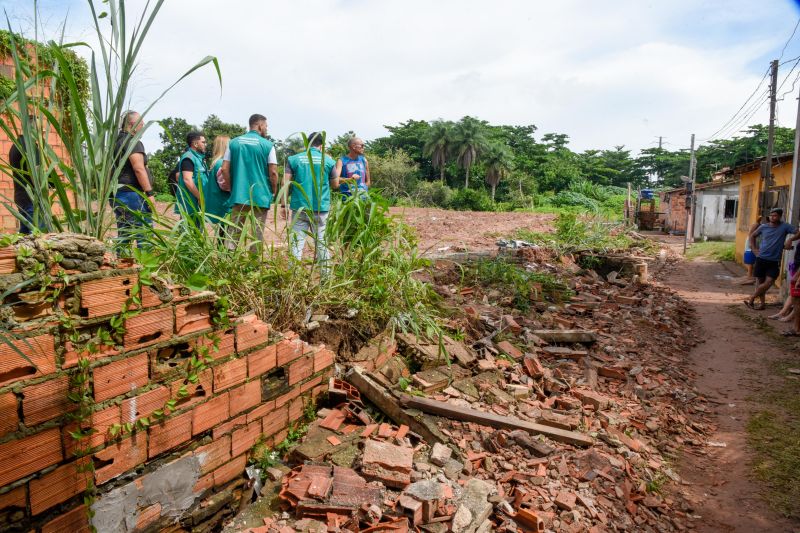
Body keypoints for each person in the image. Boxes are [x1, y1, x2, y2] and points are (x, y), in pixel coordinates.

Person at [220, 114, 278, 250]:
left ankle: (228, 259)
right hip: (261, 196)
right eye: (266, 126)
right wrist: (274, 191)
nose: (266, 129)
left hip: (239, 195)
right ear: (260, 125)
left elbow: (224, 169)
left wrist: (231, 188)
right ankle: (253, 261)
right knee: (257, 232)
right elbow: (273, 172)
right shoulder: (268, 145)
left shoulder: (233, 143)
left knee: (234, 231)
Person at [285, 132, 339, 271]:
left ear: (307, 143)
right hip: (321, 208)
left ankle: (293, 275)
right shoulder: (328, 161)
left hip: (300, 207)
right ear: (322, 145)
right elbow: (335, 185)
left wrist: (283, 204)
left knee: (296, 243)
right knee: (321, 242)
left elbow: (285, 183)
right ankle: (326, 276)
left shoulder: (294, 159)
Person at [111, 111, 155, 252]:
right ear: (133, 124)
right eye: (141, 124)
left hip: (118, 193)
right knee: (144, 232)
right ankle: (146, 264)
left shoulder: (117, 142)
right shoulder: (132, 142)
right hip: (132, 194)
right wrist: (149, 193)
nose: (143, 127)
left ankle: (122, 262)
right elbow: (139, 169)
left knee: (125, 233)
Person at [745, 208, 798, 310]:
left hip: (774, 260)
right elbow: (752, 236)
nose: (772, 217)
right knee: (760, 282)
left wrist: (790, 239)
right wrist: (754, 248)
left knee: (769, 282)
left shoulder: (785, 226)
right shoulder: (763, 227)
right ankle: (762, 304)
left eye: (775, 215)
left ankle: (752, 297)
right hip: (761, 258)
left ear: (780, 216)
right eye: (771, 215)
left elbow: (798, 232)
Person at [8, 133, 42, 234]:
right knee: (38, 236)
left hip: (20, 196)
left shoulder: (15, 145)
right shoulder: (29, 144)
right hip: (31, 198)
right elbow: (35, 171)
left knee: (25, 236)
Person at [174, 131, 209, 224]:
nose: (205, 144)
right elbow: (187, 180)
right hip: (191, 203)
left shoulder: (198, 158)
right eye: (203, 142)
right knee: (190, 228)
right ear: (195, 144)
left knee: (198, 228)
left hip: (197, 202)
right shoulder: (188, 158)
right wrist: (200, 198)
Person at [206, 135, 232, 228]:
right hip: (225, 205)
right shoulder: (222, 163)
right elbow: (225, 185)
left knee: (222, 232)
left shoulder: (216, 162)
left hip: (218, 204)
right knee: (228, 232)